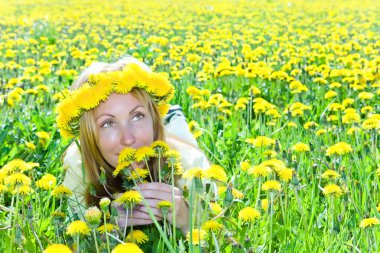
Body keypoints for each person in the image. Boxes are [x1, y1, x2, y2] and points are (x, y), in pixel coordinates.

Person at [57, 57, 209, 235]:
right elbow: (76, 233)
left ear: (153, 118)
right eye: (108, 123)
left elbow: (213, 231)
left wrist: (186, 219)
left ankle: (173, 116)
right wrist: (106, 225)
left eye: (137, 116)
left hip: (173, 143)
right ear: (89, 136)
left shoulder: (191, 164)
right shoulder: (78, 164)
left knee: (181, 132)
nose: (128, 139)